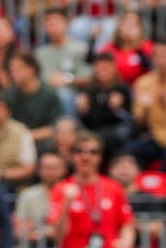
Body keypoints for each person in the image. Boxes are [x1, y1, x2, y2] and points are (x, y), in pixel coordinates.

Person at [46, 131, 136, 248]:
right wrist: (66, 205)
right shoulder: (61, 189)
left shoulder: (113, 187)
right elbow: (58, 234)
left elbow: (127, 224)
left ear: (100, 157)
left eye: (93, 152)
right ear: (72, 156)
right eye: (79, 151)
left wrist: (125, 243)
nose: (86, 157)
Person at [14, 151, 69, 248]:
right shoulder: (28, 195)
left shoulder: (70, 193)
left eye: (54, 168)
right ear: (39, 170)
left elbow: (67, 230)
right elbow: (20, 229)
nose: (50, 172)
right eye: (46, 168)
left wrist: (39, 232)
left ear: (64, 169)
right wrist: (48, 232)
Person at [128, 39, 166, 170]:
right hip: (154, 137)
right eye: (158, 55)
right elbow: (138, 121)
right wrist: (144, 110)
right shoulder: (143, 83)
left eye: (164, 55)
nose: (161, 60)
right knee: (130, 151)